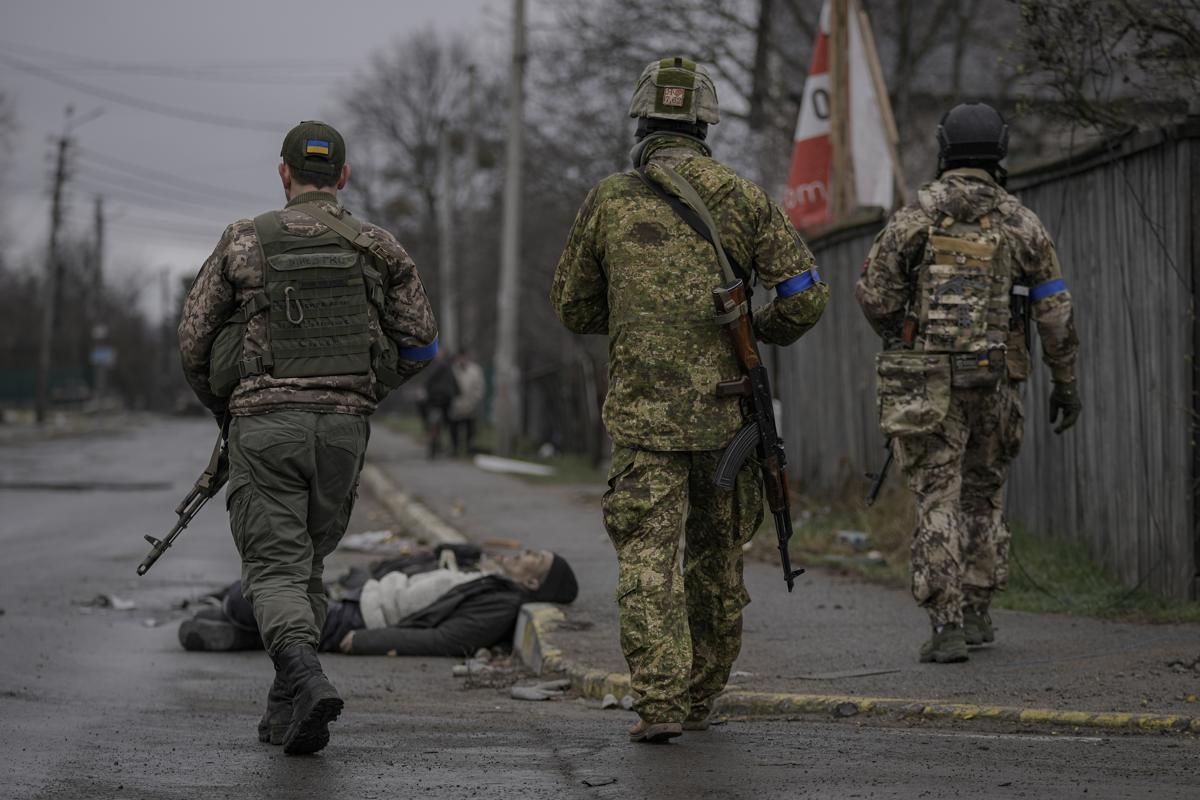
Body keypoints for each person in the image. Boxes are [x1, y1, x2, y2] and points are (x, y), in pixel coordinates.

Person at [550, 57, 828, 743]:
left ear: (641, 121)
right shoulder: (741, 196)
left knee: (648, 557)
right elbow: (805, 295)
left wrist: (638, 316)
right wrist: (754, 329)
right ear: (705, 123)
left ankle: (659, 702)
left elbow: (572, 306)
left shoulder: (611, 200)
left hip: (645, 420)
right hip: (727, 416)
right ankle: (702, 693)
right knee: (717, 559)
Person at [177, 120, 438, 755]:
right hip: (343, 432)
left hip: (266, 426)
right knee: (306, 565)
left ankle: (307, 677)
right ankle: (285, 708)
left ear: (283, 173)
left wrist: (227, 403)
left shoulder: (244, 242)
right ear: (343, 177)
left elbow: (193, 340)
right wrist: (369, 388)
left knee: (273, 569)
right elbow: (423, 343)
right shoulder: (379, 247)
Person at [855, 102, 1081, 664]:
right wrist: (1066, 382)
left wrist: (901, 333)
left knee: (939, 496)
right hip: (1000, 380)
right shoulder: (1020, 222)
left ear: (944, 149)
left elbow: (874, 294)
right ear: (999, 151)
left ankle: (946, 625)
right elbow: (1054, 310)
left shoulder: (915, 219)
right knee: (984, 493)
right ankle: (980, 613)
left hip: (931, 383)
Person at [177, 548, 579, 742]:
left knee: (246, 596)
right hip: (364, 600)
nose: (521, 552)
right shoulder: (494, 579)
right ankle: (236, 632)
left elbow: (445, 639)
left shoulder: (502, 602)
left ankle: (232, 622)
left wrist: (370, 640)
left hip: (364, 618)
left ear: (532, 583)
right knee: (279, 606)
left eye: (532, 558)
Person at [422, 352, 459, 459]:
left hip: (435, 401)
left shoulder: (434, 367)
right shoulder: (449, 369)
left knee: (434, 426)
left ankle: (434, 448)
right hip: (445, 402)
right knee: (446, 425)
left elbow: (427, 383)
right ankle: (449, 448)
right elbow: (455, 385)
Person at [448, 349, 485, 457]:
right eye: (460, 358)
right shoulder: (453, 369)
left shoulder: (476, 370)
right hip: (456, 405)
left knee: (470, 429)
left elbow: (480, 388)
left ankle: (469, 449)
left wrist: (474, 401)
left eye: (464, 357)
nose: (462, 360)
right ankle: (455, 449)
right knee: (454, 429)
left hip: (471, 405)